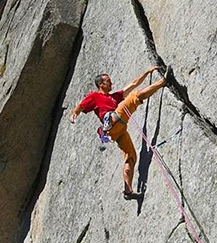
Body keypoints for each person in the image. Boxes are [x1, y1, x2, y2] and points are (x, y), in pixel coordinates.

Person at [70, 65, 170, 200]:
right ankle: (163, 82)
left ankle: (128, 190)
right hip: (114, 119)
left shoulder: (114, 97)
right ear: (101, 84)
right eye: (108, 81)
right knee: (134, 97)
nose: (111, 83)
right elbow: (81, 106)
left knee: (131, 156)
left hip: (119, 131)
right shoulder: (94, 96)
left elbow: (134, 83)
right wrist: (74, 115)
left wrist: (147, 71)